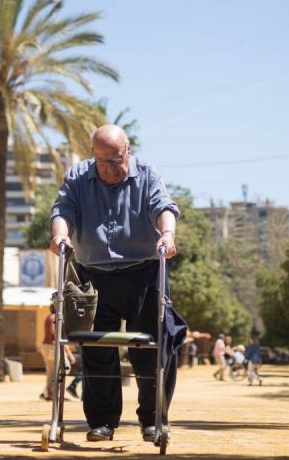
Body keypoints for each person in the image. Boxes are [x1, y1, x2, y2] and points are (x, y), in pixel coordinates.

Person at [50, 124, 187, 443]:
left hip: (144, 273)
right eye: (103, 162)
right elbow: (63, 209)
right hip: (93, 276)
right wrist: (60, 234)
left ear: (128, 149)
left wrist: (167, 234)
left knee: (153, 350)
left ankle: (153, 421)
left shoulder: (147, 173)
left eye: (116, 160)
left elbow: (164, 208)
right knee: (97, 351)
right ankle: (102, 422)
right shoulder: (78, 176)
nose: (111, 169)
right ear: (93, 156)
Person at [40, 302, 76, 401]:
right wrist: (70, 354)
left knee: (51, 371)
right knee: (65, 367)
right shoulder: (56, 318)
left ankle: (47, 393)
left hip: (45, 346)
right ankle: (56, 392)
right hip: (53, 346)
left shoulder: (48, 317)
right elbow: (58, 336)